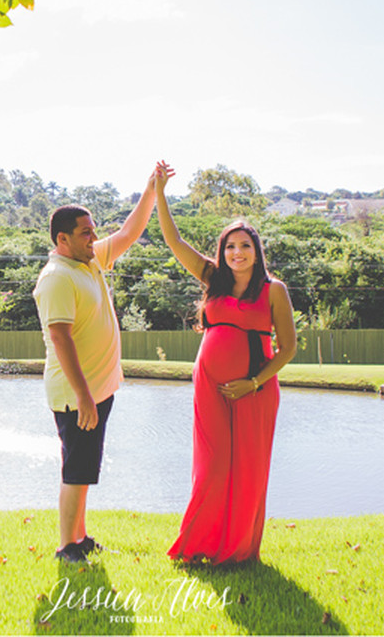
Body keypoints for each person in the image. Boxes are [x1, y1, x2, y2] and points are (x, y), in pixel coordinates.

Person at [154, 162, 296, 564]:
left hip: (255, 389)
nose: (237, 253)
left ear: (257, 251)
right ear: (223, 251)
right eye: (230, 246)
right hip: (210, 387)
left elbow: (287, 348)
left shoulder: (273, 291)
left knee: (247, 472)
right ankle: (199, 545)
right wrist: (160, 194)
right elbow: (173, 239)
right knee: (213, 466)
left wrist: (252, 382)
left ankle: (239, 550)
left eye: (244, 246)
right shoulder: (211, 277)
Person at [33, 170, 158, 562]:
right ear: (62, 239)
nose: (93, 237)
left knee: (85, 468)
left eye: (92, 231)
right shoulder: (57, 277)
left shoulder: (89, 261)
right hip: (76, 394)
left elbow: (128, 233)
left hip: (97, 390)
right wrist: (84, 397)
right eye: (85, 232)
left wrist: (152, 190)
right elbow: (60, 338)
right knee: (76, 469)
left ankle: (81, 536)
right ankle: (66, 545)